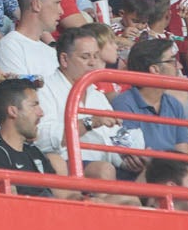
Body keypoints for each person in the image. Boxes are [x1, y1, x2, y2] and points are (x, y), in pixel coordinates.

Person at [35, 26, 140, 175]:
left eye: (96, 56)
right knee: (105, 170)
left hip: (108, 167)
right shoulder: (44, 90)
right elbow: (41, 139)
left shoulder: (96, 95)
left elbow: (113, 137)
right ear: (64, 59)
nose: (93, 63)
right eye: (85, 57)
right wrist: (90, 122)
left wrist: (130, 156)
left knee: (160, 170)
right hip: (65, 168)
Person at [109, 37, 188, 152]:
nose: (179, 66)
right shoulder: (123, 104)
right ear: (154, 69)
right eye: (172, 61)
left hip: (173, 168)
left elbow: (183, 151)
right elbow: (134, 156)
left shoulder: (174, 104)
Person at [0, 77, 62, 196]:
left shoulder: (34, 151)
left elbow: (63, 195)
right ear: (13, 111)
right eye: (34, 105)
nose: (41, 112)